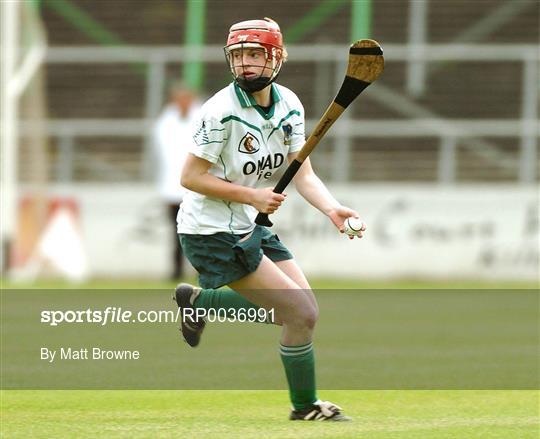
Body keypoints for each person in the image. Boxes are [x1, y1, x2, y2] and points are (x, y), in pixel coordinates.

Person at [174, 17, 365, 421]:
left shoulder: (290, 105)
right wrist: (253, 195)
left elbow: (304, 175)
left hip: (249, 223)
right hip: (210, 231)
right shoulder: (220, 112)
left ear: (276, 58)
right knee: (301, 313)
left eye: (255, 54)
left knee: (301, 309)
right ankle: (305, 407)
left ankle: (200, 302)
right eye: (238, 55)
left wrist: (331, 208)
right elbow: (190, 178)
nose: (245, 64)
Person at [153, 81, 199, 279]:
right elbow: (168, 156)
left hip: (198, 186)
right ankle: (177, 270)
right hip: (174, 188)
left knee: (201, 231)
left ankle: (202, 269)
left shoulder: (202, 117)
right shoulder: (166, 122)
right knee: (178, 232)